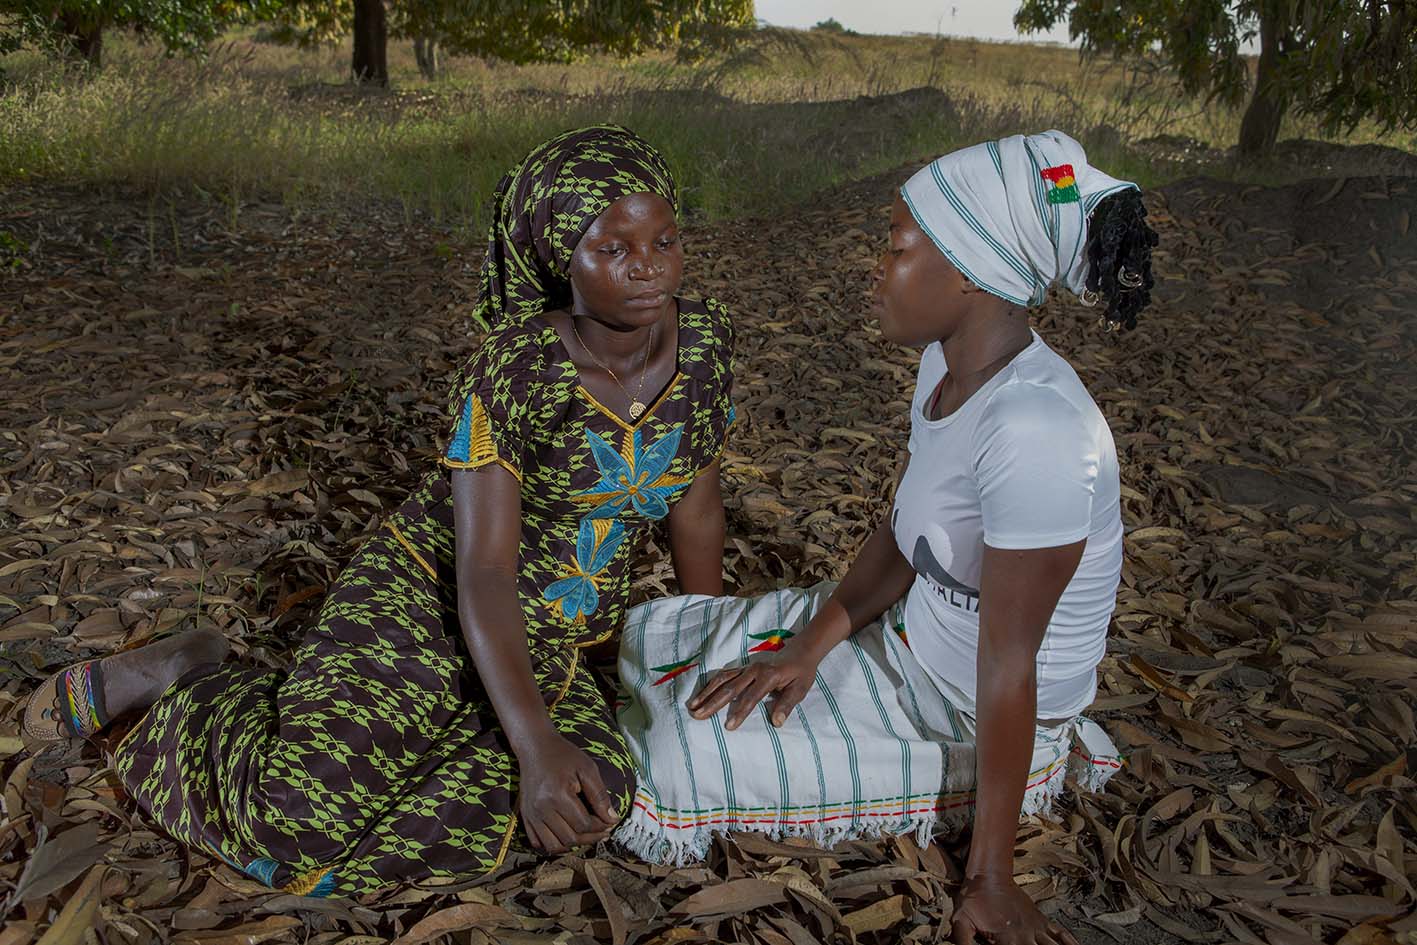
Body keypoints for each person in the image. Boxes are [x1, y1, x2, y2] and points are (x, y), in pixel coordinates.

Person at [22, 125, 736, 897]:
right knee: (296, 819)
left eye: (664, 239)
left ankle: (384, 750)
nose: (649, 268)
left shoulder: (704, 342)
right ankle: (189, 675)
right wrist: (532, 745)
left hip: (563, 637)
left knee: (593, 797)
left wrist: (702, 646)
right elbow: (488, 567)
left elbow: (695, 508)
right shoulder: (518, 368)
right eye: (614, 250)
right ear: (560, 258)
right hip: (427, 599)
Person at [686, 130, 1157, 945]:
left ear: (971, 274)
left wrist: (990, 878)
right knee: (679, 645)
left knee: (684, 747)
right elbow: (905, 530)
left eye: (896, 246)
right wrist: (811, 644)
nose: (877, 266)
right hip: (919, 645)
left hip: (985, 717)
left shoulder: (1037, 430)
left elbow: (1011, 663)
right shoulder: (947, 366)